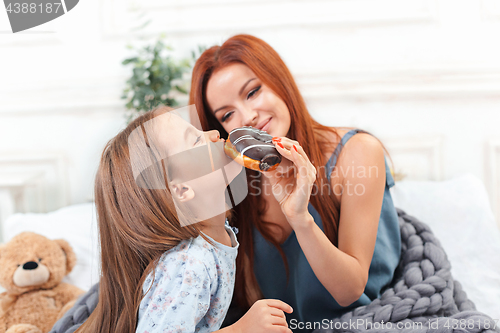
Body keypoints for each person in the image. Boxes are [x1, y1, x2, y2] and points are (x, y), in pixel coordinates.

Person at [189, 34, 402, 331]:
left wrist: (300, 219)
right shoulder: (235, 185)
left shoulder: (357, 153)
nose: (248, 116)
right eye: (227, 115)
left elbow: (349, 291)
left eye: (252, 92)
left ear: (278, 80)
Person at [75, 106, 294, 333]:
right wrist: (241, 330)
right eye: (197, 140)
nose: (214, 134)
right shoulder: (190, 265)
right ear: (181, 189)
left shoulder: (216, 235)